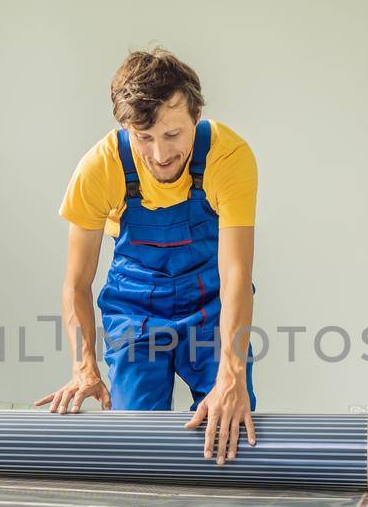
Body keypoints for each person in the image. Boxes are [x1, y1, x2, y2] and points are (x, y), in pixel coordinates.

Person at [37, 49, 259, 464]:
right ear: (125, 128)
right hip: (134, 307)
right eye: (144, 138)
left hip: (212, 305)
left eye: (173, 135)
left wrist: (232, 373)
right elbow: (76, 282)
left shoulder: (228, 157)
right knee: (134, 448)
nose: (160, 155)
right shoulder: (99, 168)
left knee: (227, 429)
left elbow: (236, 275)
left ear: (196, 116)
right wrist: (84, 366)